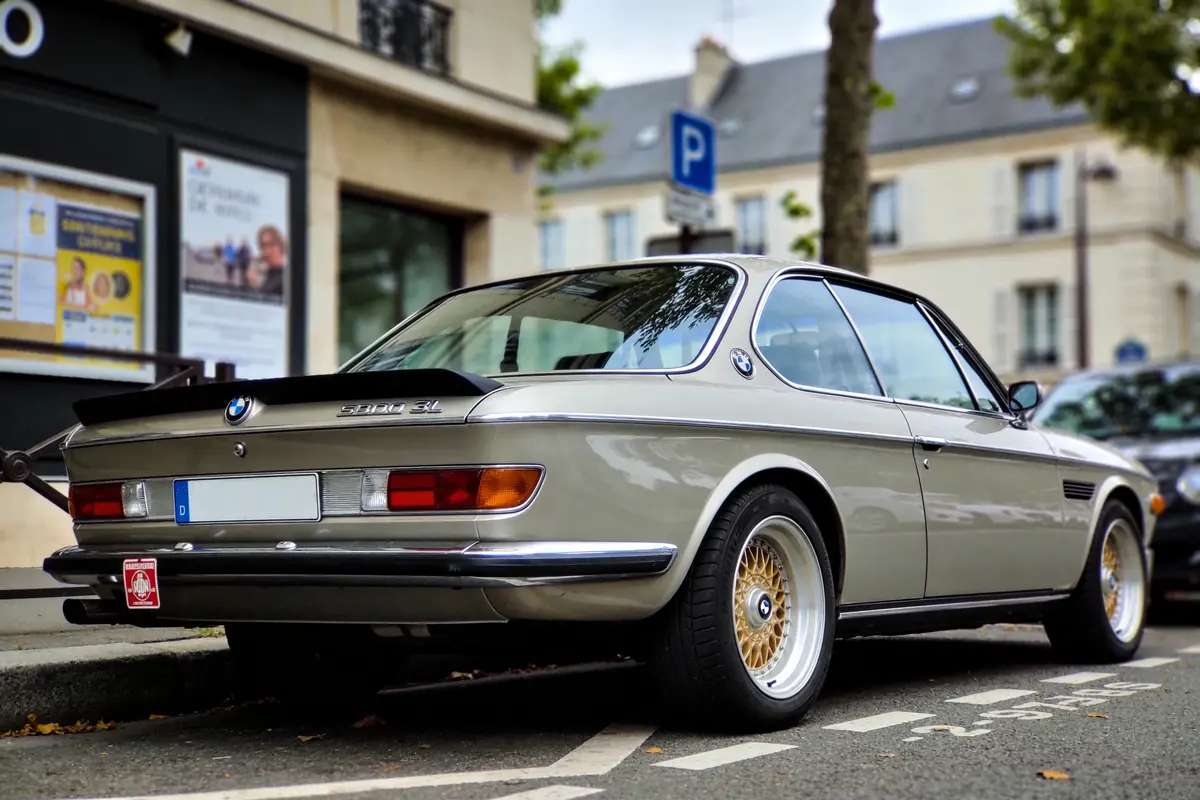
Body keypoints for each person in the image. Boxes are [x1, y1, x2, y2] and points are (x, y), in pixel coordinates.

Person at [256, 224, 287, 296]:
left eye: (271, 245)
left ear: (280, 245)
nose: (267, 251)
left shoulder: (286, 279)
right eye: (263, 246)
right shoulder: (267, 276)